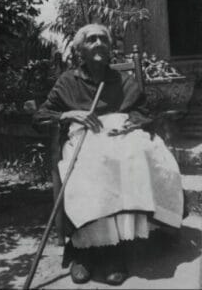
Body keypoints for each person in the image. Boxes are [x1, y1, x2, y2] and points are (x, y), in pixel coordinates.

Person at [33, 24, 184, 285]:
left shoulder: (122, 80)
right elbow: (40, 116)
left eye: (103, 39)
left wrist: (132, 122)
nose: (99, 43)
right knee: (94, 164)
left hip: (120, 136)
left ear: (111, 47)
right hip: (85, 138)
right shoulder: (68, 81)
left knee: (134, 156)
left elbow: (143, 111)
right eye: (91, 40)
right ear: (80, 50)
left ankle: (115, 251)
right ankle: (84, 251)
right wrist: (69, 114)